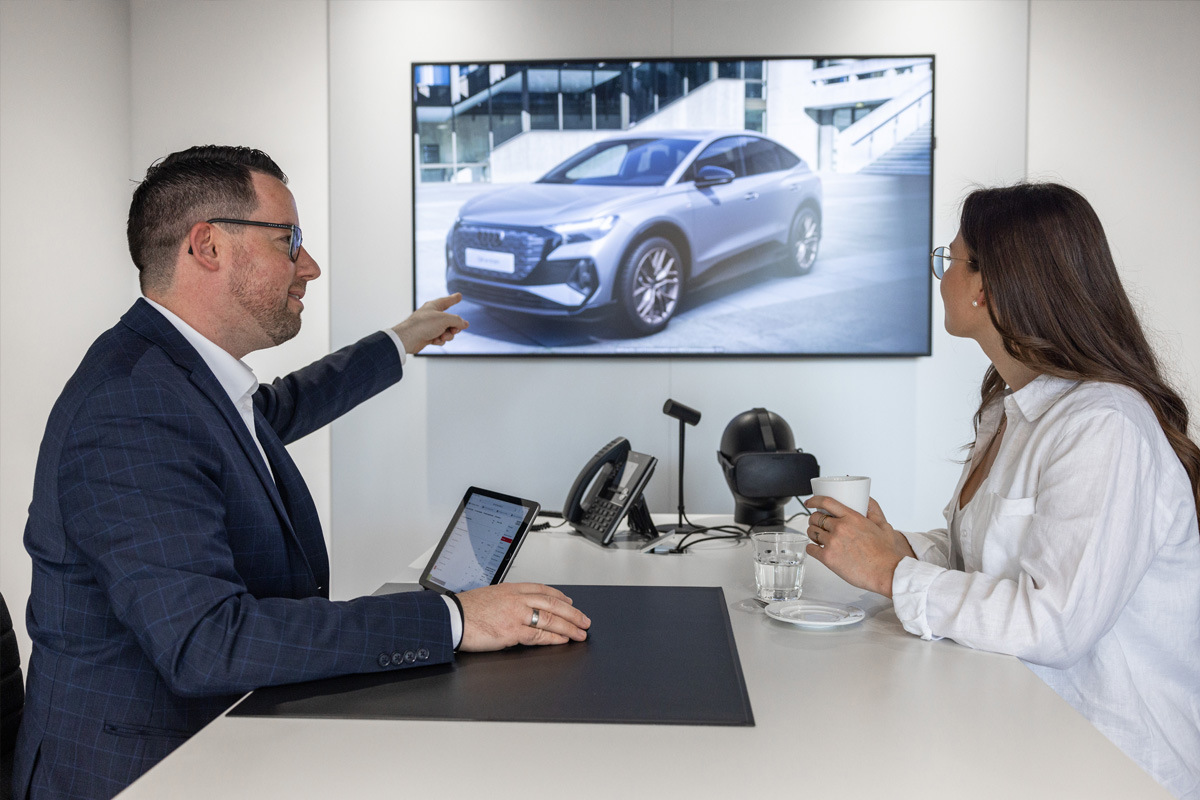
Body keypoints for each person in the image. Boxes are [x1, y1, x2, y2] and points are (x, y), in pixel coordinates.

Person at [12, 145, 591, 800]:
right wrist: (454, 619)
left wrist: (401, 339)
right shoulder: (132, 409)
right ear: (208, 246)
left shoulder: (178, 376)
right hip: (140, 774)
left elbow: (280, 408)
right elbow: (207, 641)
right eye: (290, 241)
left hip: (217, 744)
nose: (309, 267)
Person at [804, 182, 1200, 799]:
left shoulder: (1105, 426)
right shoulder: (1008, 410)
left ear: (987, 287)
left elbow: (1054, 624)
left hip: (1113, 765)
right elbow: (984, 559)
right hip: (1022, 737)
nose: (941, 276)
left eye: (949, 260)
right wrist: (897, 545)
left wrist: (890, 574)